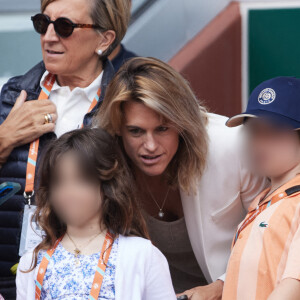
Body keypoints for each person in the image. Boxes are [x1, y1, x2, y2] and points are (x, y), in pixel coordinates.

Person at [95, 57, 268, 299]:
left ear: (183, 124)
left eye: (162, 128)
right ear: (117, 129)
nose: (150, 146)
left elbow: (271, 236)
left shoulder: (230, 145)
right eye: (135, 131)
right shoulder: (103, 162)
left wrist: (220, 288)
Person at [0, 0, 131, 298]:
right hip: (10, 282)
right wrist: (4, 138)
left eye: (64, 27)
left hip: (94, 281)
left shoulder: (124, 104)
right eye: (42, 23)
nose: (48, 36)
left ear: (104, 39)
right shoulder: (12, 96)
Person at [16, 128, 176, 300]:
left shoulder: (143, 255)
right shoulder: (32, 261)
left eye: (82, 180)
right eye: (59, 182)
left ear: (107, 185)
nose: (69, 192)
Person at [222, 77, 300, 300]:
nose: (260, 141)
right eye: (254, 130)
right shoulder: (262, 200)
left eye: (275, 131)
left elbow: (294, 285)